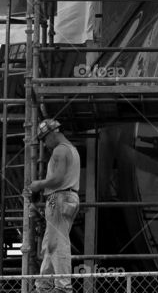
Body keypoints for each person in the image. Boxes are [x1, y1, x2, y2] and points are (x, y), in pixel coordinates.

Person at [26, 119, 81, 293]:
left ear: (52, 133)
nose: (44, 143)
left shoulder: (60, 150)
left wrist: (38, 185)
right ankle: (43, 285)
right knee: (50, 244)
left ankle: (63, 286)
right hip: (66, 198)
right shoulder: (71, 150)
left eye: (44, 139)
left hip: (59, 198)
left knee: (58, 243)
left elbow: (57, 179)